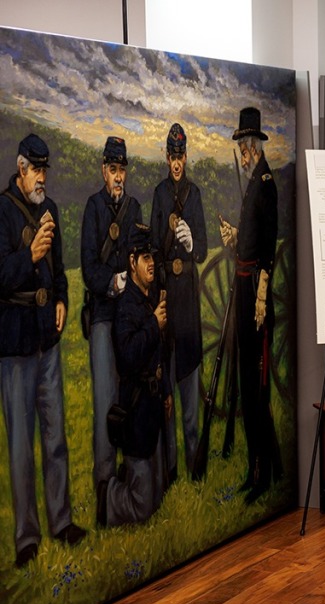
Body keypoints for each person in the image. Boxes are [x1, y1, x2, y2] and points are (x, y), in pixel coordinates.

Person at [0, 133, 86, 567]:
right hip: (15, 345)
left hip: (46, 341)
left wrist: (63, 300)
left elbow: (61, 271)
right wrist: (29, 255)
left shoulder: (50, 209)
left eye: (45, 170)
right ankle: (26, 540)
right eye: (36, 170)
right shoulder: (1, 211)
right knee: (20, 446)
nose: (42, 178)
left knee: (55, 438)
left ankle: (62, 521)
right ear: (21, 169)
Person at [218, 107, 282, 504]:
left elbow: (269, 249)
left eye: (245, 146)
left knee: (256, 390)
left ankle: (260, 473)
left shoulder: (266, 183)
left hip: (254, 297)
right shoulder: (252, 184)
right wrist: (235, 238)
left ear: (256, 146)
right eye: (241, 147)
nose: (243, 153)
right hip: (242, 289)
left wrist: (260, 295)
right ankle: (267, 467)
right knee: (246, 384)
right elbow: (253, 240)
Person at [81, 136, 141, 501]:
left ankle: (128, 471)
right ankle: (104, 483)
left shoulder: (133, 208)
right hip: (104, 315)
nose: (118, 177)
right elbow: (88, 268)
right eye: (113, 170)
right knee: (105, 399)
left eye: (122, 170)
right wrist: (114, 282)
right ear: (104, 170)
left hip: (129, 317)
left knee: (128, 396)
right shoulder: (93, 208)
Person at [98, 223, 170, 527]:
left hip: (151, 411)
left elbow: (159, 354)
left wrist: (166, 390)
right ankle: (108, 496)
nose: (151, 262)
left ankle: (130, 485)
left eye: (152, 256)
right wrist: (153, 325)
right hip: (136, 412)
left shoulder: (149, 297)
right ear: (132, 262)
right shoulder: (127, 306)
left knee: (155, 501)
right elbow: (127, 358)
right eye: (144, 257)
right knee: (142, 511)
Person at [150, 123, 207, 482]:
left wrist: (189, 244)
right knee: (166, 386)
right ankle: (170, 470)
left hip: (187, 296)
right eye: (171, 156)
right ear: (167, 157)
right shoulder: (158, 194)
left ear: (186, 157)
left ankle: (193, 466)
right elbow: (154, 248)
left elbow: (201, 250)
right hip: (168, 294)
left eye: (180, 156)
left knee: (189, 388)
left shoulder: (195, 194)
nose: (176, 162)